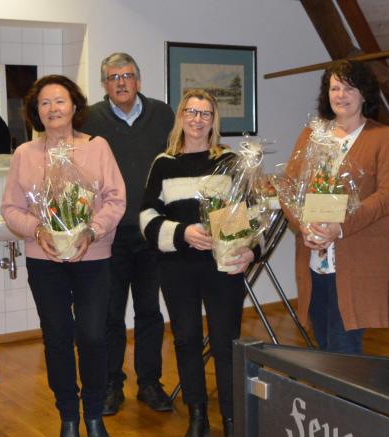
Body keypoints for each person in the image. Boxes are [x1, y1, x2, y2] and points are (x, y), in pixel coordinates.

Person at [1, 75, 126, 437]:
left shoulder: (97, 147)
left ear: (74, 106)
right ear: (35, 112)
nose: (53, 108)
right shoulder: (25, 154)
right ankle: (68, 416)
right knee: (56, 336)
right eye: (44, 103)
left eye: (60, 101)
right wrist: (38, 231)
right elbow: (11, 208)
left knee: (92, 335)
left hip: (94, 257)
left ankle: (94, 414)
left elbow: (116, 199)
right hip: (44, 261)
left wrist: (92, 230)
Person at [140, 89, 255, 437]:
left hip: (223, 267)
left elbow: (250, 214)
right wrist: (181, 233)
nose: (197, 119)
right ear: (181, 117)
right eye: (191, 112)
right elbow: (146, 215)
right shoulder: (163, 163)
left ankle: (232, 420)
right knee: (186, 340)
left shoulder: (230, 161)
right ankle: (197, 417)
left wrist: (252, 251)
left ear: (213, 120)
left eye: (205, 113)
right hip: (178, 269)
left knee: (225, 344)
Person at [284, 60, 389, 354]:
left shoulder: (382, 136)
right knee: (323, 339)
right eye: (335, 87)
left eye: (349, 87)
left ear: (364, 94)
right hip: (313, 255)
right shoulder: (311, 134)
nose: (341, 94)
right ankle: (331, 399)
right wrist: (303, 225)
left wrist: (341, 226)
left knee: (344, 346)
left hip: (358, 255)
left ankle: (345, 400)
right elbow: (289, 187)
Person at [81, 52, 175, 415]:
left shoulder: (163, 114)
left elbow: (176, 159)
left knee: (150, 312)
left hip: (153, 232)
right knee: (109, 315)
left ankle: (150, 383)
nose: (121, 82)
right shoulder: (89, 119)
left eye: (128, 75)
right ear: (104, 84)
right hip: (109, 235)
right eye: (113, 76)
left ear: (139, 80)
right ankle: (110, 385)